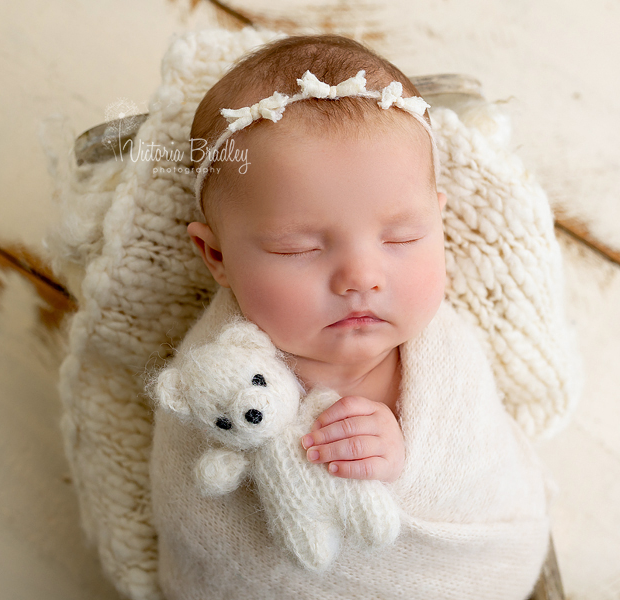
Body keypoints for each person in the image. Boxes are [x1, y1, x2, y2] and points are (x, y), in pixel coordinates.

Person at [150, 33, 552, 600]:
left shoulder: (447, 360)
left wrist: (406, 459)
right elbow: (204, 517)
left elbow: (476, 471)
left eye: (403, 236)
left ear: (438, 220)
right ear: (217, 257)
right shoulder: (214, 377)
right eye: (299, 249)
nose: (361, 277)